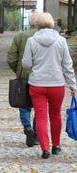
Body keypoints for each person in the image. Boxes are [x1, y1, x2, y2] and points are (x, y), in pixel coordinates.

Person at [22, 12, 77, 159]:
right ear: (52, 23)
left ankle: (45, 148)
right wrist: (73, 85)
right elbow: (67, 65)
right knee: (55, 115)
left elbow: (26, 64)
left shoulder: (31, 41)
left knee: (40, 116)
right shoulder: (61, 41)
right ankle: (56, 146)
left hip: (37, 84)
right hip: (57, 84)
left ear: (38, 24)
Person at [7, 12, 40, 147]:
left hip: (24, 76)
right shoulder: (46, 36)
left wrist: (18, 70)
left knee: (24, 106)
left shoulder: (20, 36)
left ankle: (28, 129)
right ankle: (37, 133)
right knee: (40, 107)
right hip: (41, 77)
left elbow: (11, 57)